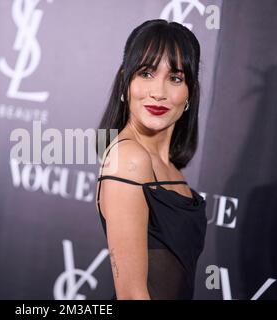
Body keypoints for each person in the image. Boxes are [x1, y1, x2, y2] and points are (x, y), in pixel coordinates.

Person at [95, 19, 207, 300]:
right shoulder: (129, 158)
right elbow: (132, 295)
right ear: (125, 81)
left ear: (190, 92)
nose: (159, 92)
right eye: (146, 73)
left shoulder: (170, 165)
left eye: (175, 78)